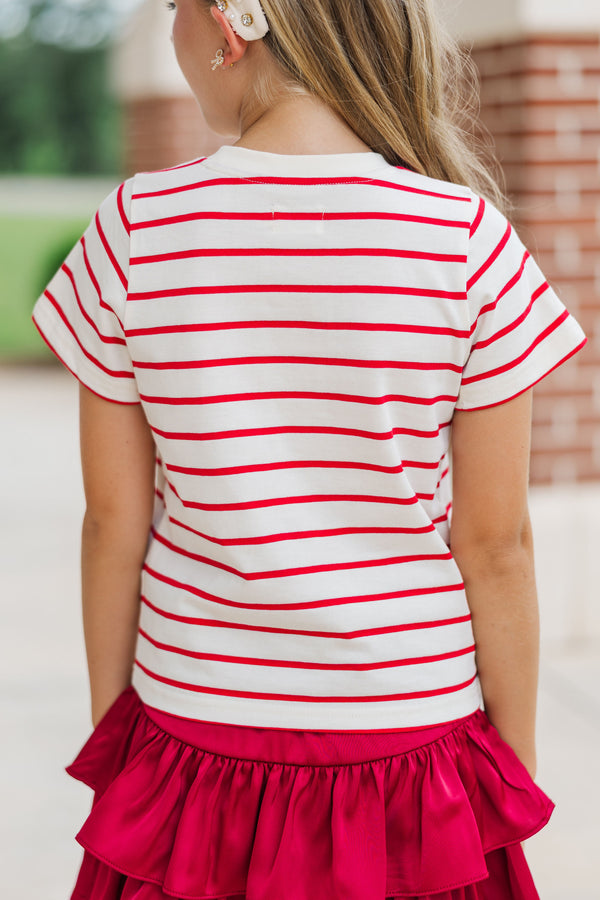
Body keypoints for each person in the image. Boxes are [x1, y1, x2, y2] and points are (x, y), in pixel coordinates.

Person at [32, 0, 586, 898]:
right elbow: (495, 544)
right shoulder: (465, 238)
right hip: (413, 751)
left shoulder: (138, 228)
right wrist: (511, 767)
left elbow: (112, 522)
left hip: (195, 737)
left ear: (227, 26)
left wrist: (122, 732)